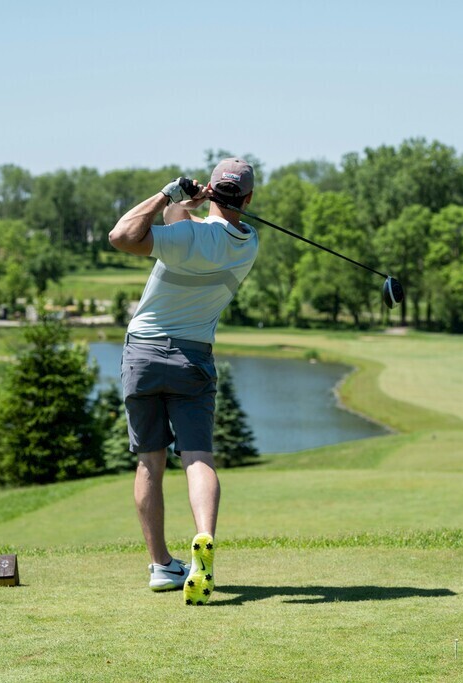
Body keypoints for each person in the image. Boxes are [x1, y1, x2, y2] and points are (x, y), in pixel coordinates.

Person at [108, 158, 258, 606]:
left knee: (149, 462)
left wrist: (167, 194)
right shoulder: (247, 244)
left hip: (143, 353)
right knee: (197, 457)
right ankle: (203, 538)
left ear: (211, 188)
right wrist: (189, 205)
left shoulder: (184, 238)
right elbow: (195, 229)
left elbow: (122, 236)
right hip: (193, 357)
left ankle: (160, 566)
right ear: (248, 199)